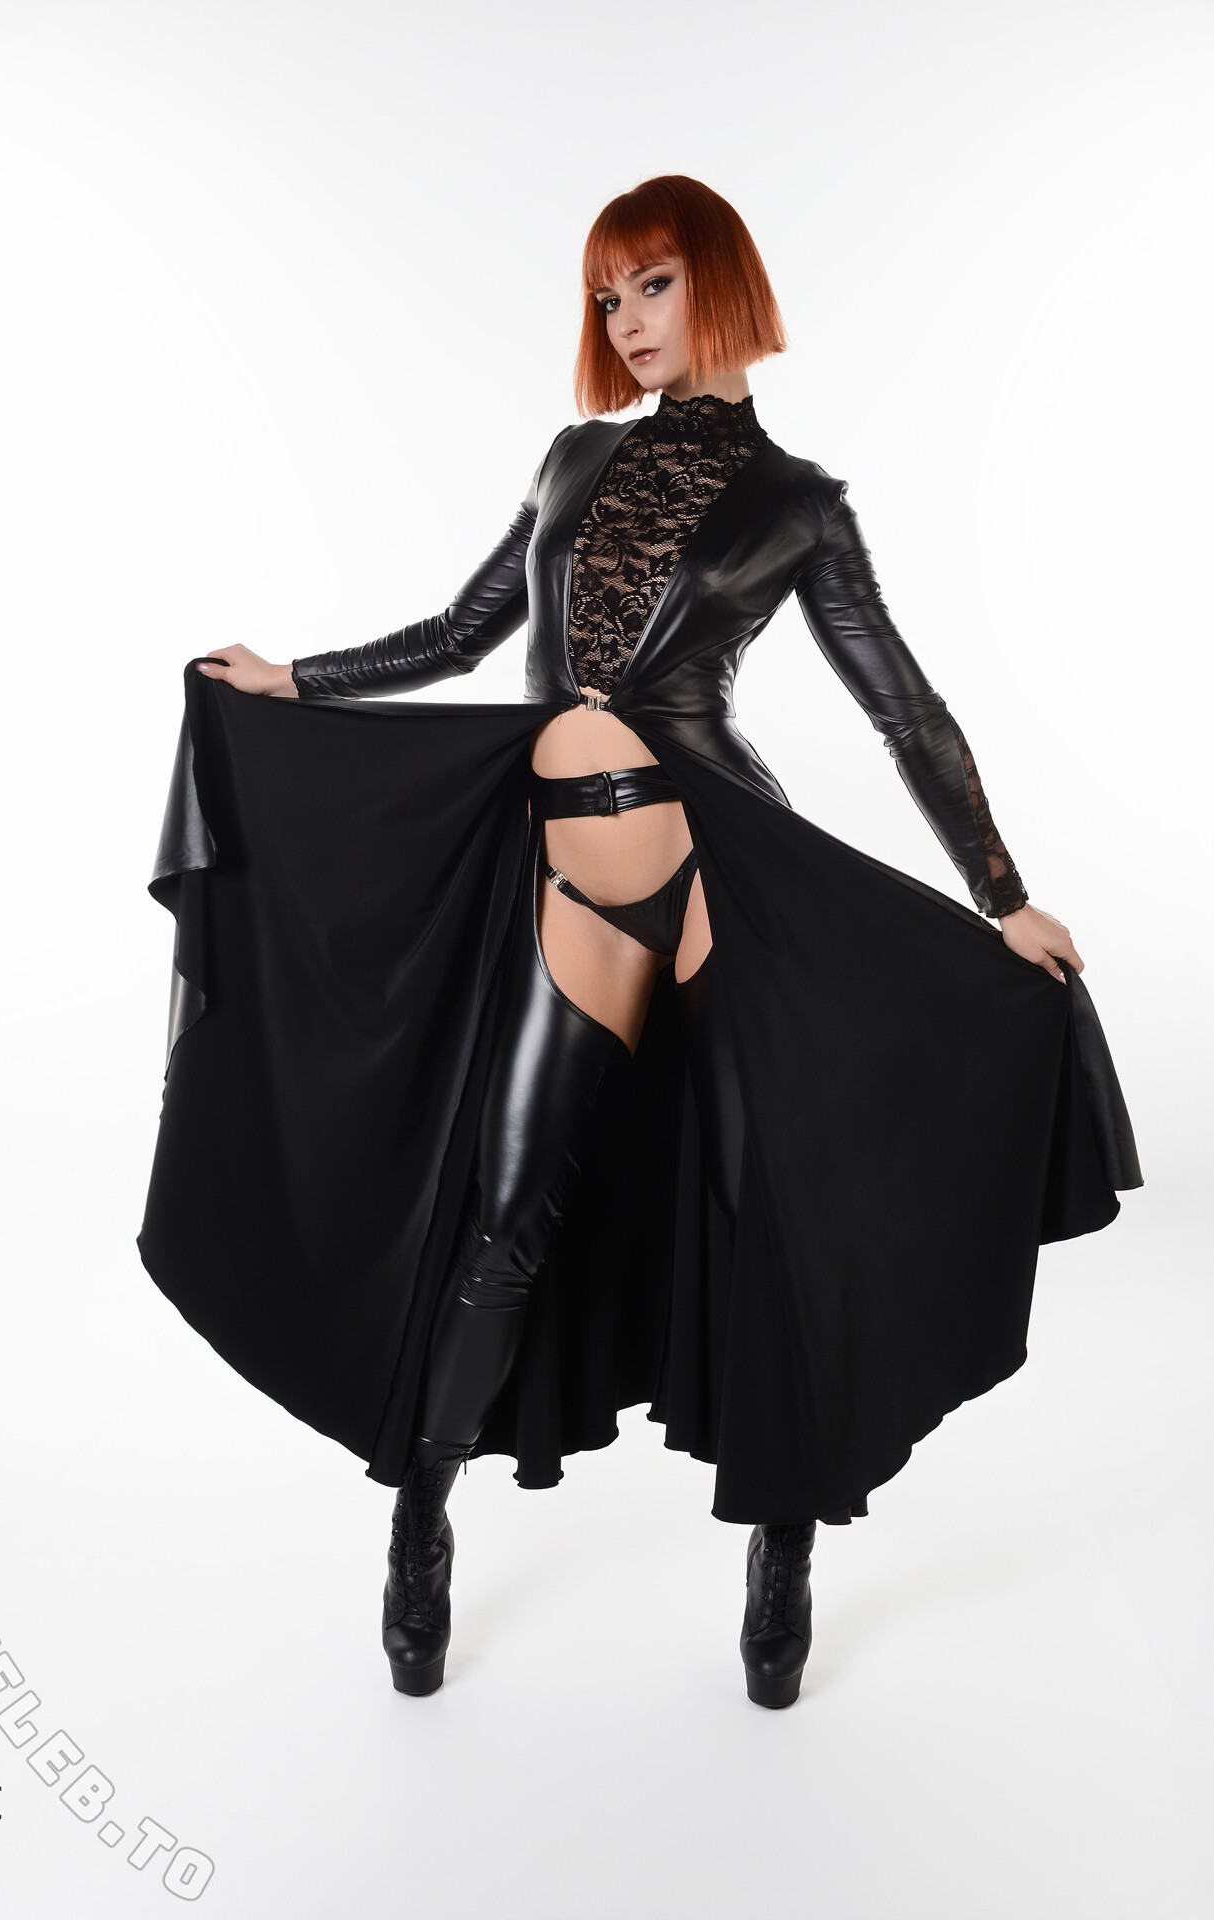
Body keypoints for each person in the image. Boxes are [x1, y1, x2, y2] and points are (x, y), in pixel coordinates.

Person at [141, 175, 1139, 1710]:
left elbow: (904, 711)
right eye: (606, 296)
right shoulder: (573, 458)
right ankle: (420, 1516)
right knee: (504, 1210)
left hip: (724, 859)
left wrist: (1000, 894)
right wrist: (296, 680)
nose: (623, 319)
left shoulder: (799, 503)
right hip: (573, 856)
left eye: (651, 284)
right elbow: (462, 635)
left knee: (773, 1217)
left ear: (718, 282)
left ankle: (783, 1548)